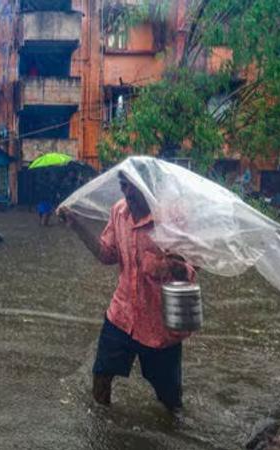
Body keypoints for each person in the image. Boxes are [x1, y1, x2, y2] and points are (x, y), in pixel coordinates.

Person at [58, 171, 196, 413]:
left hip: (159, 326)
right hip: (121, 316)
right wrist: (77, 225)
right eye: (123, 186)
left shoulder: (172, 218)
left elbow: (194, 267)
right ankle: (101, 430)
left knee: (170, 398)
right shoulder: (119, 212)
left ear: (149, 186)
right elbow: (106, 254)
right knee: (101, 376)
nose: (128, 192)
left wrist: (175, 267)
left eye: (133, 187)